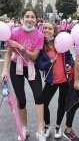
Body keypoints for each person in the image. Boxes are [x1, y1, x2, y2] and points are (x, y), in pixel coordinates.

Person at [0, 8, 46, 141]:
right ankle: (24, 128)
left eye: (32, 17)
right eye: (27, 16)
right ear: (22, 18)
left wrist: (21, 47)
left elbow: (34, 56)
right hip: (16, 66)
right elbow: (8, 53)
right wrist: (4, 71)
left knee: (39, 96)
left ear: (36, 19)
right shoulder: (14, 32)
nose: (30, 19)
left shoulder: (39, 35)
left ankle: (40, 131)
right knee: (21, 100)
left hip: (31, 65)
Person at [36, 22, 74, 139]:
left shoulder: (61, 44)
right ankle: (48, 125)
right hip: (51, 81)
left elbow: (70, 59)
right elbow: (41, 65)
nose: (47, 30)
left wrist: (69, 65)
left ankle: (58, 126)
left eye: (50, 29)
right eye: (45, 28)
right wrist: (49, 62)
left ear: (55, 31)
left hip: (64, 81)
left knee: (62, 104)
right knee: (43, 103)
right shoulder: (41, 47)